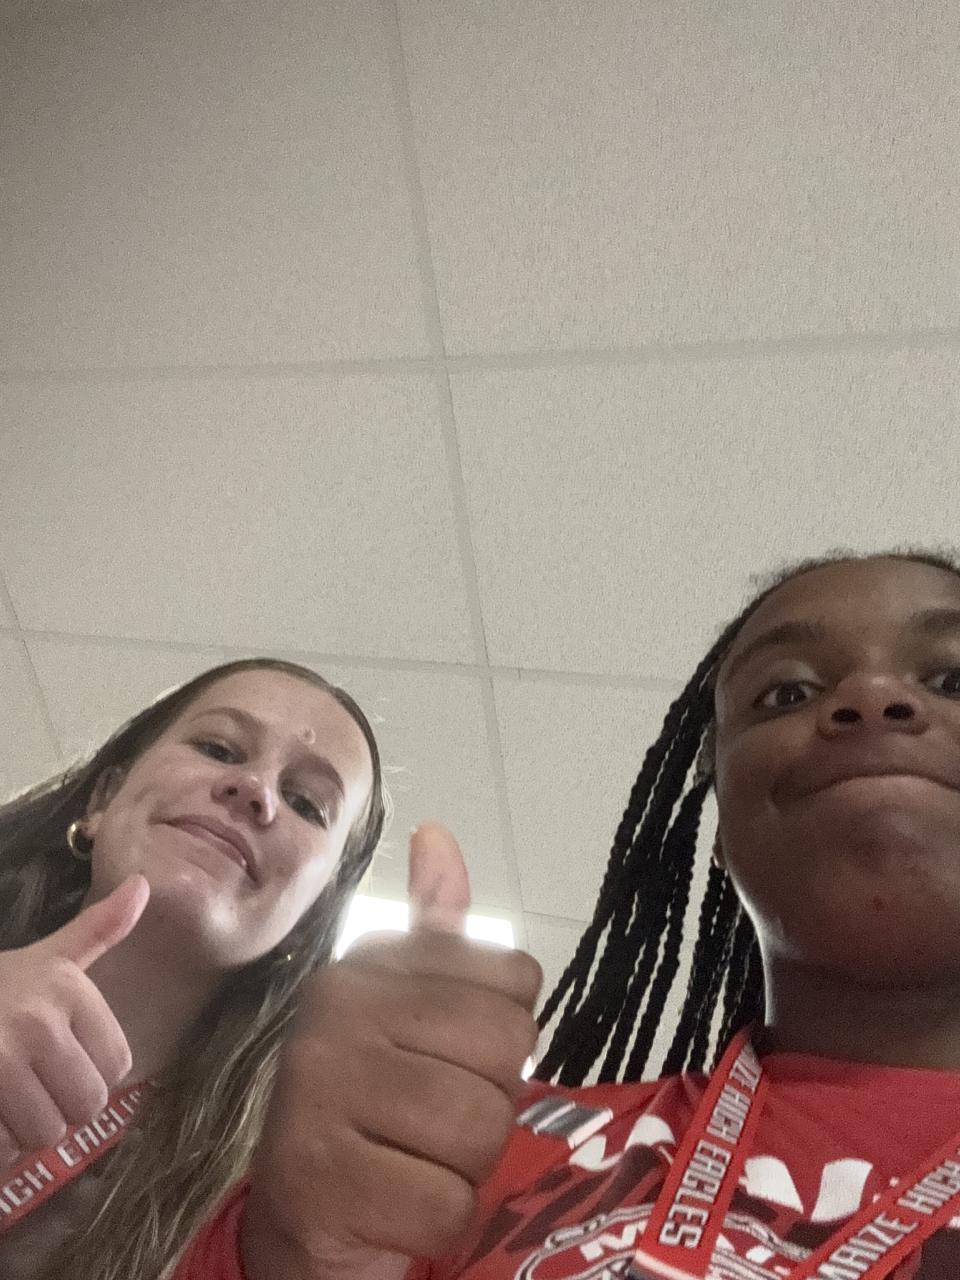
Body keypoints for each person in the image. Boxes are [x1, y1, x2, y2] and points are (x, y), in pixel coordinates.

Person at [192, 545, 960, 1280]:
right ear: (721, 830)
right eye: (788, 693)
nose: (874, 698)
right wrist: (309, 1251)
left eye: (953, 679)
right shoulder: (460, 1152)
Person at [0, 656, 388, 1280]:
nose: (255, 790)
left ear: (311, 917)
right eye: (218, 748)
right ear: (103, 799)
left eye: (306, 804)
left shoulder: (274, 1218)